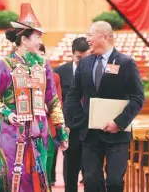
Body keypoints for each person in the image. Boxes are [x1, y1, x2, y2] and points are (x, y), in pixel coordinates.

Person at [0, 3, 68, 192]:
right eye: (37, 37)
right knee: (12, 176)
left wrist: (61, 130)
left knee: (38, 177)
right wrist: (7, 112)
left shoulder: (44, 65)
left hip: (39, 132)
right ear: (24, 40)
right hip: (12, 130)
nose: (40, 41)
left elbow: (54, 101)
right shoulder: (5, 65)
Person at [64, 21, 145, 192]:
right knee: (91, 181)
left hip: (117, 134)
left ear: (105, 37)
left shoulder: (126, 63)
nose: (88, 39)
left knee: (115, 181)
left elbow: (138, 97)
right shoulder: (84, 64)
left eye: (91, 35)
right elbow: (72, 95)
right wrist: (78, 121)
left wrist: (119, 122)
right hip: (90, 134)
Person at [55, 37, 89, 192]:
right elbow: (56, 100)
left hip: (90, 127)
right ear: (72, 54)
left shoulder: (95, 70)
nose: (82, 62)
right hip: (70, 127)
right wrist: (63, 124)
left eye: (85, 58)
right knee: (70, 168)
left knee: (90, 169)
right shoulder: (60, 72)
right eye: (78, 58)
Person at [38, 44, 63, 191]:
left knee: (46, 168)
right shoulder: (20, 75)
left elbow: (58, 102)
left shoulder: (54, 77)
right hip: (25, 130)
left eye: (41, 54)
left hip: (48, 129)